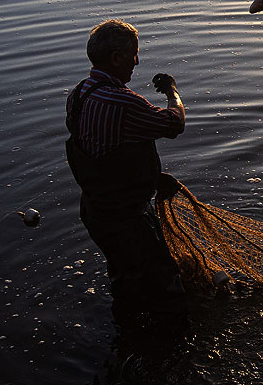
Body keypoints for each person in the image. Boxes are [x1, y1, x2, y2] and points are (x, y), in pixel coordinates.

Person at [65, 19, 187, 327]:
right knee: (165, 284)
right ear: (117, 57)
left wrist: (152, 178)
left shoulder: (79, 95)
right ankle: (168, 349)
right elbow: (175, 123)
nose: (137, 61)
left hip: (96, 210)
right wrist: (172, 91)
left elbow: (102, 151)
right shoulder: (122, 101)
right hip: (125, 218)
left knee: (125, 277)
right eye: (133, 54)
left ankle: (127, 335)